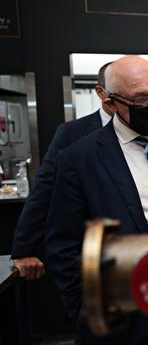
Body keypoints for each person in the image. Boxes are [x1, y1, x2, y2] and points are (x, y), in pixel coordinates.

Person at [45, 56, 148, 344]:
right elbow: (63, 245)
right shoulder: (80, 159)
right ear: (110, 103)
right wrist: (85, 309)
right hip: (127, 315)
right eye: (140, 100)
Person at [11, 61, 114, 280]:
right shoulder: (73, 134)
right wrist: (24, 250)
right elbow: (44, 190)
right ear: (102, 92)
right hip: (95, 254)